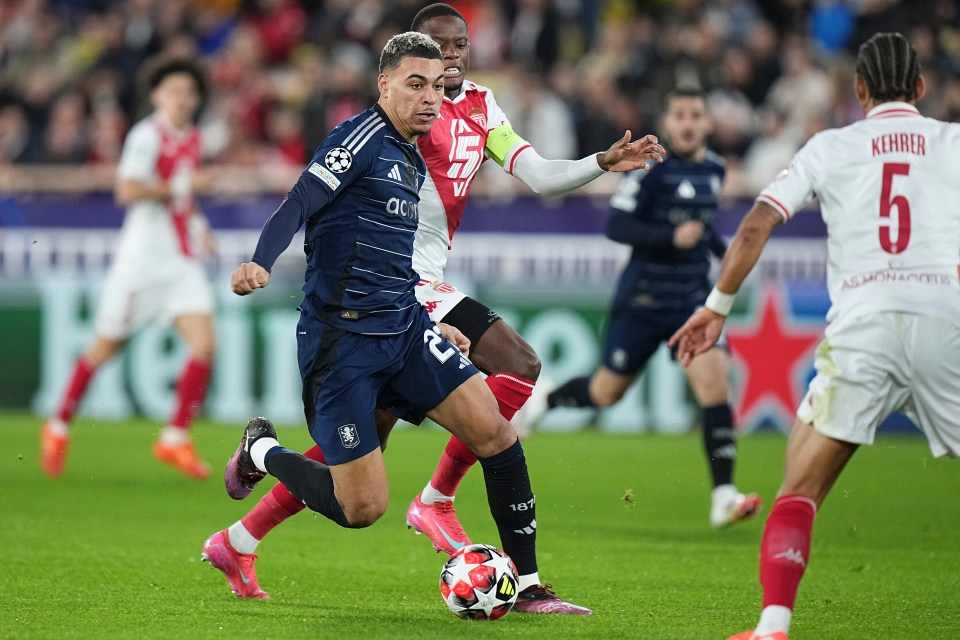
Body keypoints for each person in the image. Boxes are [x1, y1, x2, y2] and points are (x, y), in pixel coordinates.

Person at [201, 2, 664, 610]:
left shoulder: (473, 111)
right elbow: (301, 200)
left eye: (457, 48)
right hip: (363, 316)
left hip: (410, 304)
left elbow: (542, 176)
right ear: (394, 77)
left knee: (476, 430)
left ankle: (518, 580)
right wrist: (261, 258)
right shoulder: (379, 131)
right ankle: (292, 463)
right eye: (430, 57)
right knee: (366, 498)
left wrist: (599, 163)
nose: (447, 62)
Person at [668, 33, 960, 640]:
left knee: (797, 491)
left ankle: (773, 627)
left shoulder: (831, 146)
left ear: (857, 91)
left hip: (863, 327)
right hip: (944, 320)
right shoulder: (953, 144)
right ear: (923, 88)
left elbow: (755, 224)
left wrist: (717, 307)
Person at [543, 88, 762, 530]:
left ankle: (723, 496)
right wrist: (668, 235)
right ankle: (543, 399)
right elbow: (616, 225)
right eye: (678, 114)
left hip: (691, 305)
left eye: (695, 114)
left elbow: (700, 232)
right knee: (606, 393)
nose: (686, 122)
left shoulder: (716, 169)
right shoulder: (651, 169)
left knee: (714, 388)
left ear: (706, 124)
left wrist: (726, 250)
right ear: (668, 121)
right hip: (642, 302)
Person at [40, 57, 216, 480]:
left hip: (179, 260)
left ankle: (174, 437)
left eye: (188, 92)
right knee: (106, 347)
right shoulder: (145, 136)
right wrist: (182, 187)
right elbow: (127, 190)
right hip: (141, 262)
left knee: (205, 345)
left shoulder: (191, 137)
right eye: (173, 91)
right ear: (157, 96)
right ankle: (59, 424)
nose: (182, 99)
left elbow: (181, 200)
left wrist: (198, 223)